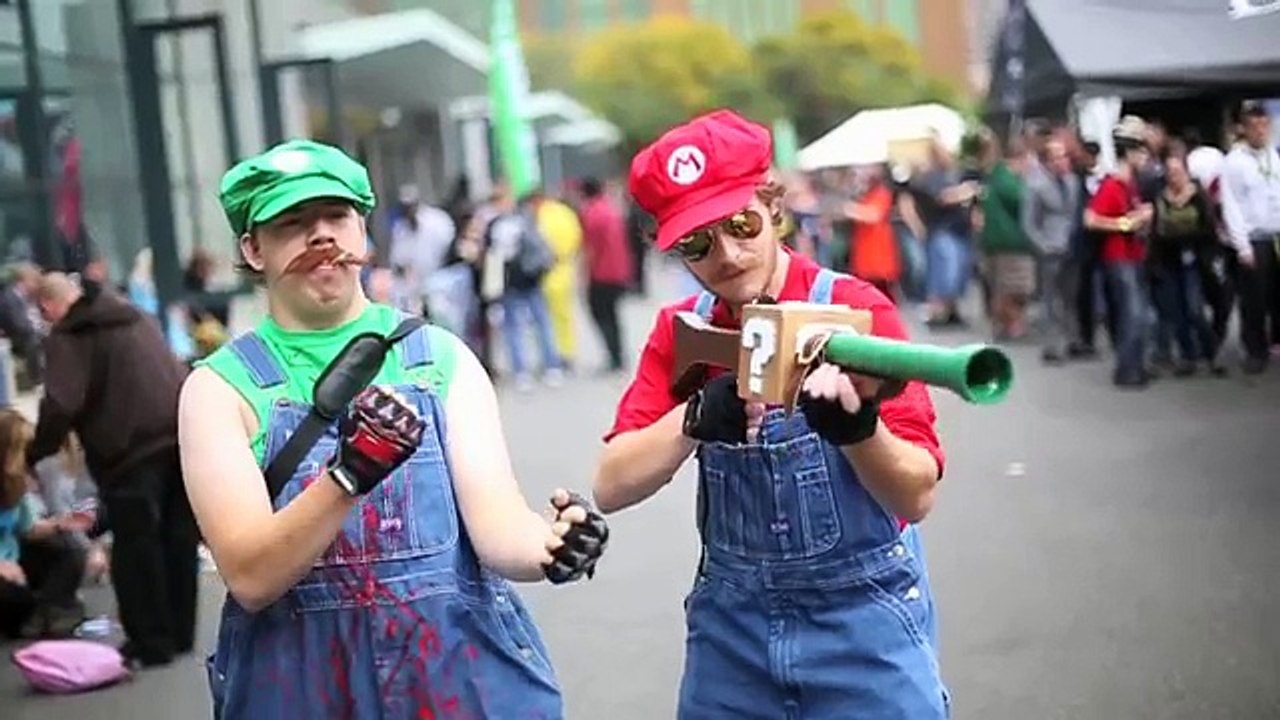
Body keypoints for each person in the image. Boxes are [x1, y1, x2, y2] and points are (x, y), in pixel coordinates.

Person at [183, 139, 608, 718]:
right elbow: (252, 575)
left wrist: (553, 547)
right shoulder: (219, 389)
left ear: (363, 233)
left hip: (458, 676)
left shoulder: (439, 357)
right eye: (292, 222)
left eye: (336, 216)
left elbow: (498, 525)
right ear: (253, 248)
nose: (321, 236)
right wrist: (347, 477)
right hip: (302, 687)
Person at [594, 110, 949, 718]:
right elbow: (611, 483)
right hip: (731, 634)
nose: (728, 255)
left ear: (773, 205)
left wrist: (860, 433)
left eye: (740, 224)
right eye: (697, 242)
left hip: (863, 623)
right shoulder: (685, 330)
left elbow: (915, 494)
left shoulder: (855, 308)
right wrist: (694, 419)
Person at [27, 271, 197, 666]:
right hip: (178, 435)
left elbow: (60, 404)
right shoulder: (134, 316)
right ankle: (180, 633)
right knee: (178, 540)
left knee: (137, 547)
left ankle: (152, 642)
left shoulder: (69, 336)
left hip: (127, 451)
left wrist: (36, 451)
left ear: (49, 307)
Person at [1084, 116, 1156, 388]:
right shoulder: (1113, 184)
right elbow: (1090, 218)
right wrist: (1124, 223)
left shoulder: (1131, 186)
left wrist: (1140, 217)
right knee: (1133, 313)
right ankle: (1127, 368)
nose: (1145, 157)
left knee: (1137, 313)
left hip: (1133, 255)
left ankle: (1135, 364)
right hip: (1119, 257)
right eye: (1141, 151)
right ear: (1131, 153)